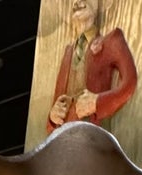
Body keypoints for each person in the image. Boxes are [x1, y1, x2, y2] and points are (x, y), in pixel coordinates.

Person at [46, 0, 136, 133]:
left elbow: (130, 83)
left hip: (93, 137)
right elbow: (56, 106)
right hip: (64, 140)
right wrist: (53, 117)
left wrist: (98, 103)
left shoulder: (112, 40)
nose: (77, 2)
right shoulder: (68, 52)